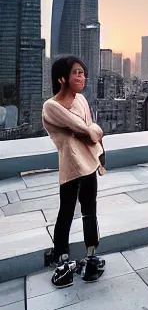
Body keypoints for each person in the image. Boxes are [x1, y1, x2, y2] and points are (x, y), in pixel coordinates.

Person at [42, 56, 106, 288]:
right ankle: (62, 262)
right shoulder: (51, 106)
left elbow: (92, 129)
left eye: (83, 73)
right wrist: (92, 132)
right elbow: (83, 128)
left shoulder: (81, 100)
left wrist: (95, 138)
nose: (81, 77)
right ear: (62, 78)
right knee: (66, 213)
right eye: (76, 73)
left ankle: (90, 259)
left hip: (89, 163)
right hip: (70, 167)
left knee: (90, 212)